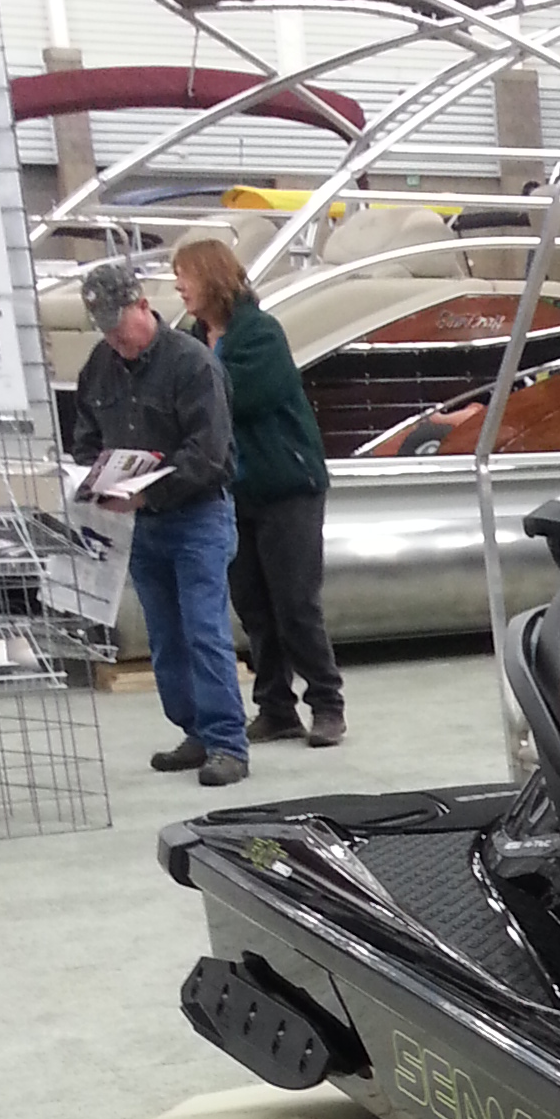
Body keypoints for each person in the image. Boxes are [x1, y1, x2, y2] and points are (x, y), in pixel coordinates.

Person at [71, 257, 247, 787]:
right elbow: (85, 438)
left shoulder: (192, 365)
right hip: (142, 526)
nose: (116, 340)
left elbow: (210, 454)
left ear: (143, 305)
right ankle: (195, 730)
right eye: (105, 331)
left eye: (120, 327)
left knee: (204, 630)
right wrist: (97, 478)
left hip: (198, 517)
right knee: (166, 637)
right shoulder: (99, 367)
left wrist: (148, 490)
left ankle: (227, 743)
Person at [171, 236, 345, 748]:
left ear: (212, 277)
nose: (179, 286)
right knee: (252, 605)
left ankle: (327, 704)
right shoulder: (191, 339)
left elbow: (236, 398)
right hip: (231, 491)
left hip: (287, 486)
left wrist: (184, 391)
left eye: (185, 275)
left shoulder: (261, 334)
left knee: (295, 602)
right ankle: (275, 708)